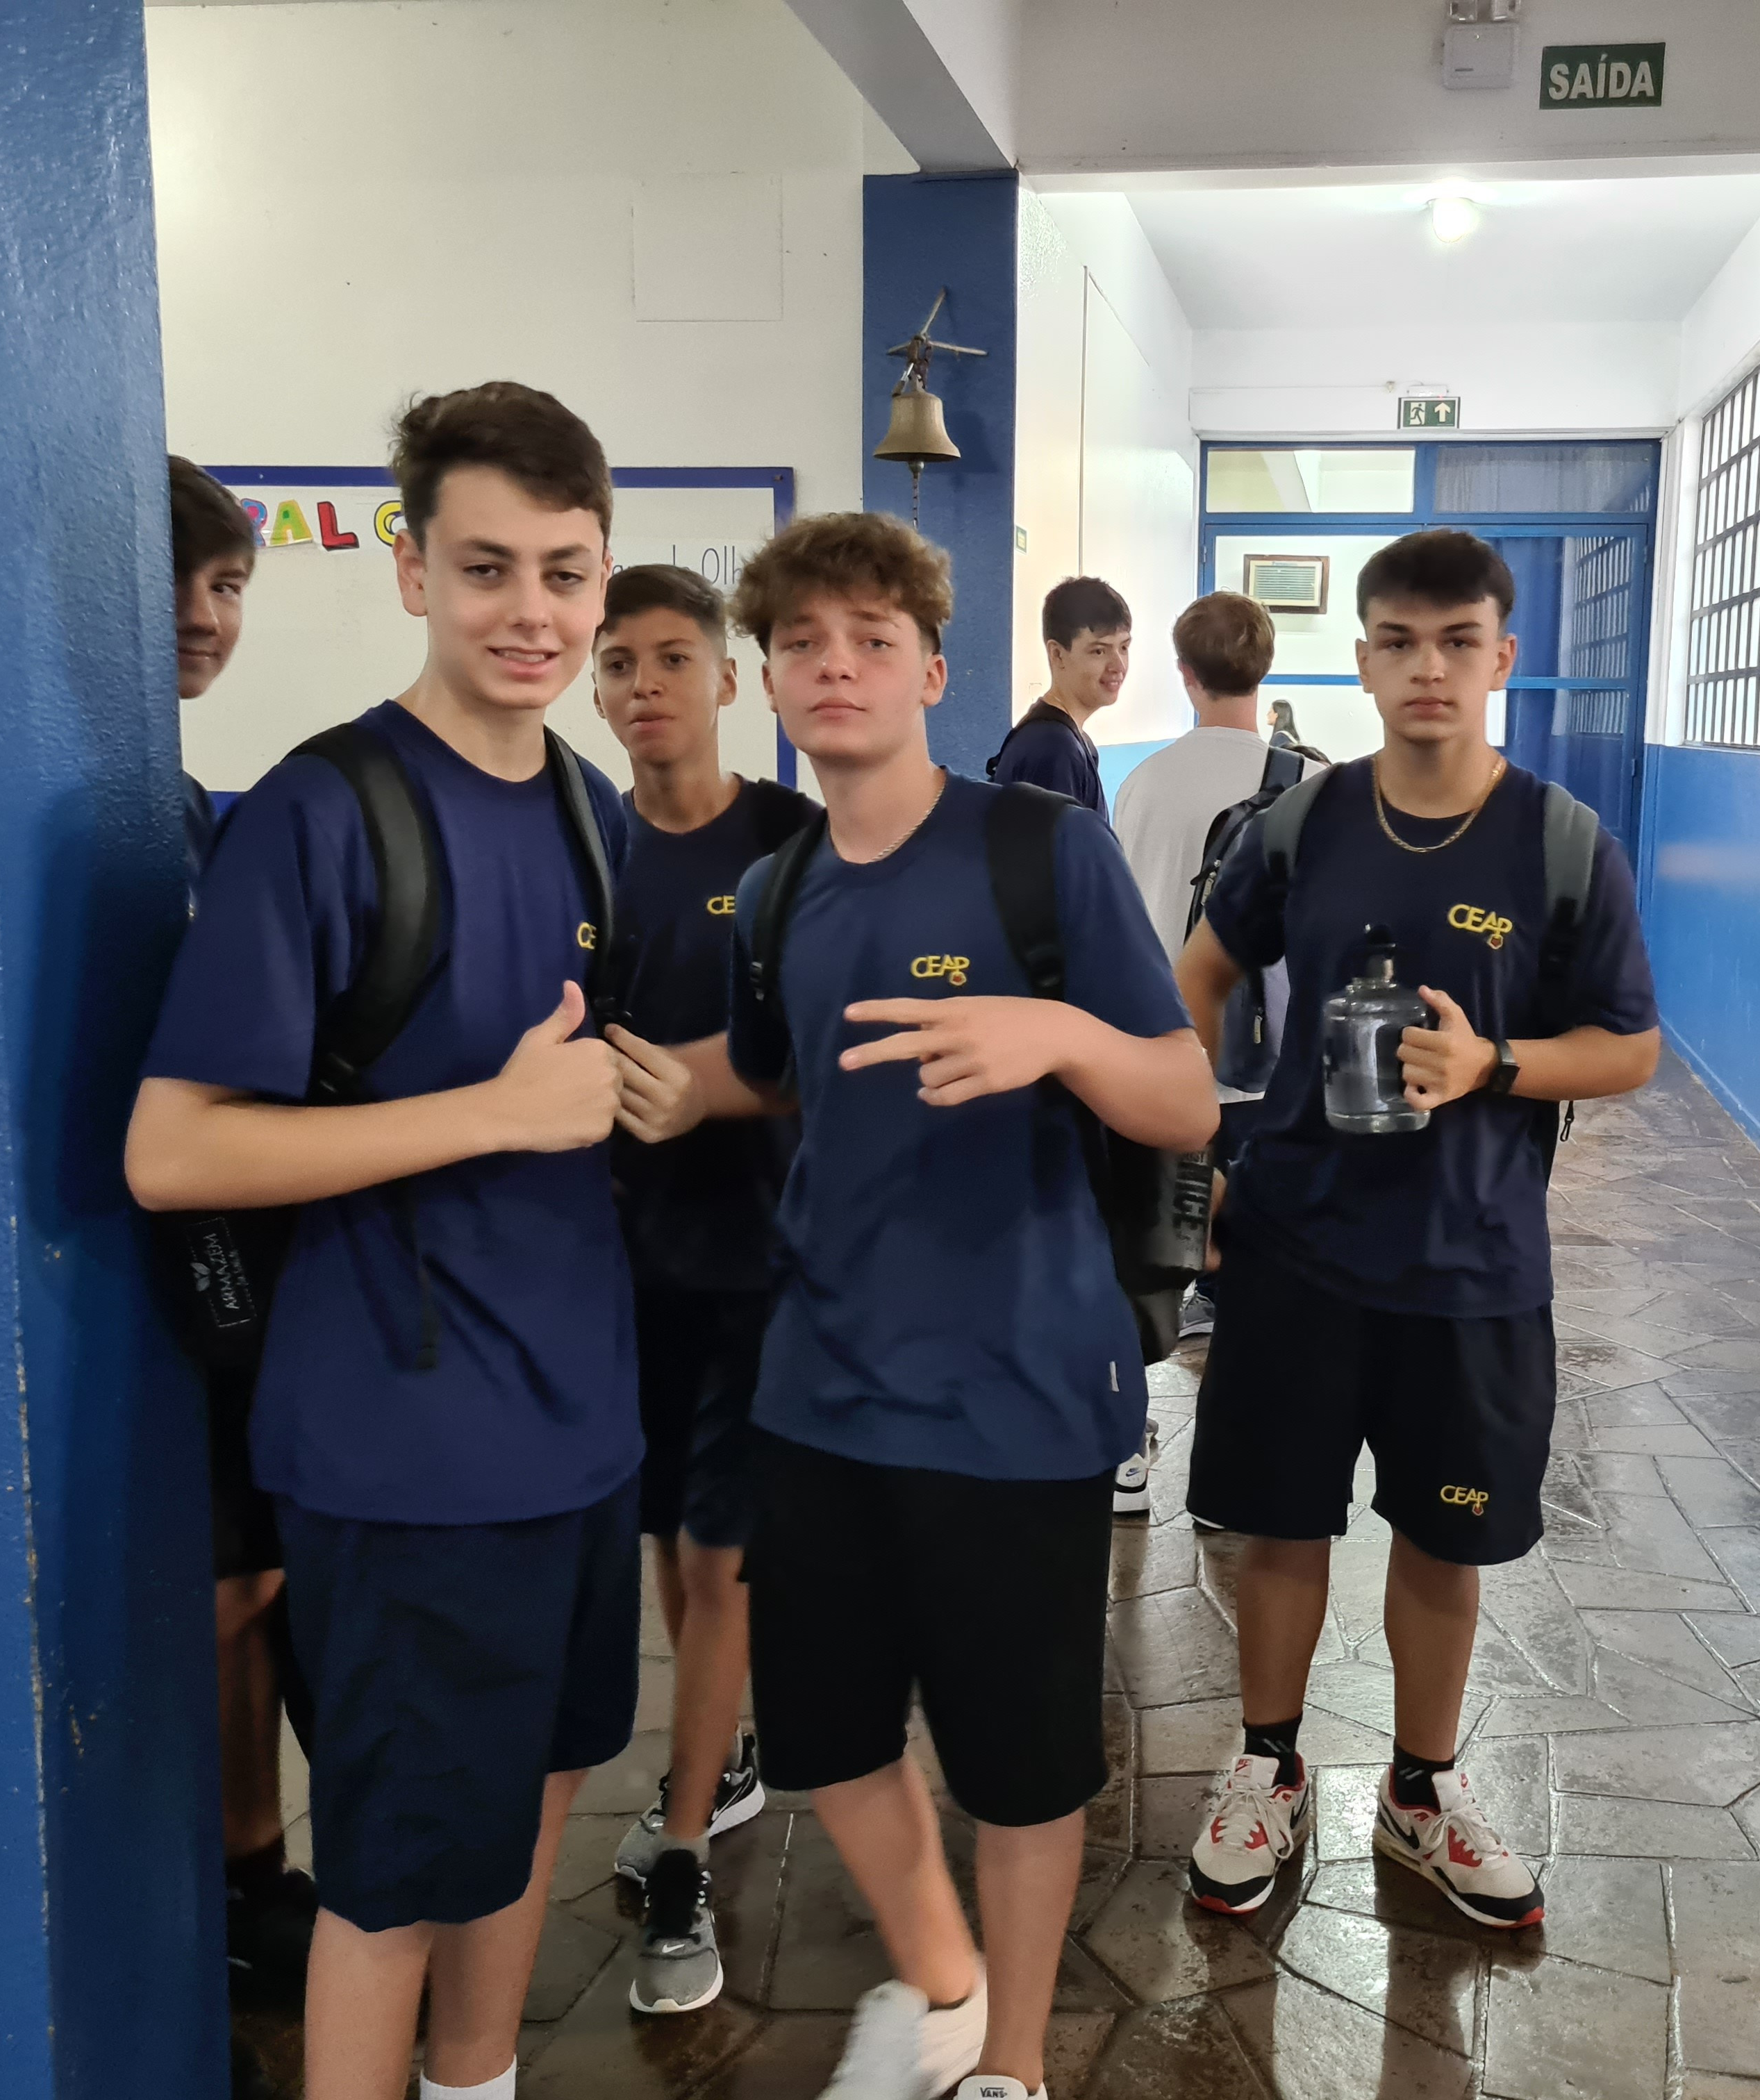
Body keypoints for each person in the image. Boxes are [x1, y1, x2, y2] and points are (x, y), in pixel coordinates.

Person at [127, 383, 683, 2100]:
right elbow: (174, 1150)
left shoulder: (588, 809)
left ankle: (478, 2079)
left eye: (565, 574)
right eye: (487, 567)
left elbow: (563, 1082)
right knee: (386, 1878)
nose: (532, 613)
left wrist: (634, 1095)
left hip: (580, 1422)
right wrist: (492, 1115)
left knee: (532, 1800)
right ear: (411, 569)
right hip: (407, 1446)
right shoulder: (326, 810)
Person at [671, 511, 1215, 2100]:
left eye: (872, 639)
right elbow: (769, 1075)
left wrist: (1056, 1034)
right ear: (771, 677)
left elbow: (1184, 1098)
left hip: (1014, 1395)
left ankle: (1013, 2067)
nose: (834, 666)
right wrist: (614, 1082)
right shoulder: (776, 890)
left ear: (930, 669)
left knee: (1021, 1769)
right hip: (818, 1392)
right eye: (803, 643)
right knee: (831, 1742)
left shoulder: (1037, 851)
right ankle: (949, 1983)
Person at [1173, 528, 1661, 1929]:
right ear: (1364, 659)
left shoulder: (1561, 842)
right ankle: (1268, 1763)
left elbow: (1629, 1047)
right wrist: (1200, 1155)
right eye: (1398, 641)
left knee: (1446, 1537)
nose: (1427, 668)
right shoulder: (1302, 824)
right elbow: (1197, 973)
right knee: (1280, 1523)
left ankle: (1420, 1788)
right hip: (1296, 1245)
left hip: (1471, 1259)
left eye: (1456, 642)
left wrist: (1495, 1064)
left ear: (1501, 657)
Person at [585, 562, 813, 2015]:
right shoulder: (579, 843)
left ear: (729, 679)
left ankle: (680, 1854)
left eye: (674, 659)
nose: (645, 686)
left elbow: (829, 1047)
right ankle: (715, 1753)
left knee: (721, 1555)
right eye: (620, 663)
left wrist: (712, 1092)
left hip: (759, 1259)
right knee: (672, 1542)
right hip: (616, 1265)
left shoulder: (791, 839)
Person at [164, 456, 321, 2016]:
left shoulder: (202, 819)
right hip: (161, 1253)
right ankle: (211, 1881)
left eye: (227, 587)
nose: (205, 617)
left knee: (258, 1577)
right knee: (223, 1588)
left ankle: (254, 1861)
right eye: (183, 583)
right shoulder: (121, 811)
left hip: (237, 1268)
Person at [1110, 589, 1318, 1355]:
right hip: (1279, 1048)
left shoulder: (1142, 783)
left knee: (1184, 1201)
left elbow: (1128, 919)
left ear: (1185, 673)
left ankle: (1186, 1302)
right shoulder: (1316, 782)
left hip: (1174, 1045)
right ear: (1265, 668)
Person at [986, 574, 1128, 810]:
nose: (1119, 666)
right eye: (1099, 651)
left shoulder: (1068, 741)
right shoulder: (1053, 751)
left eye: (1123, 647)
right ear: (1058, 654)